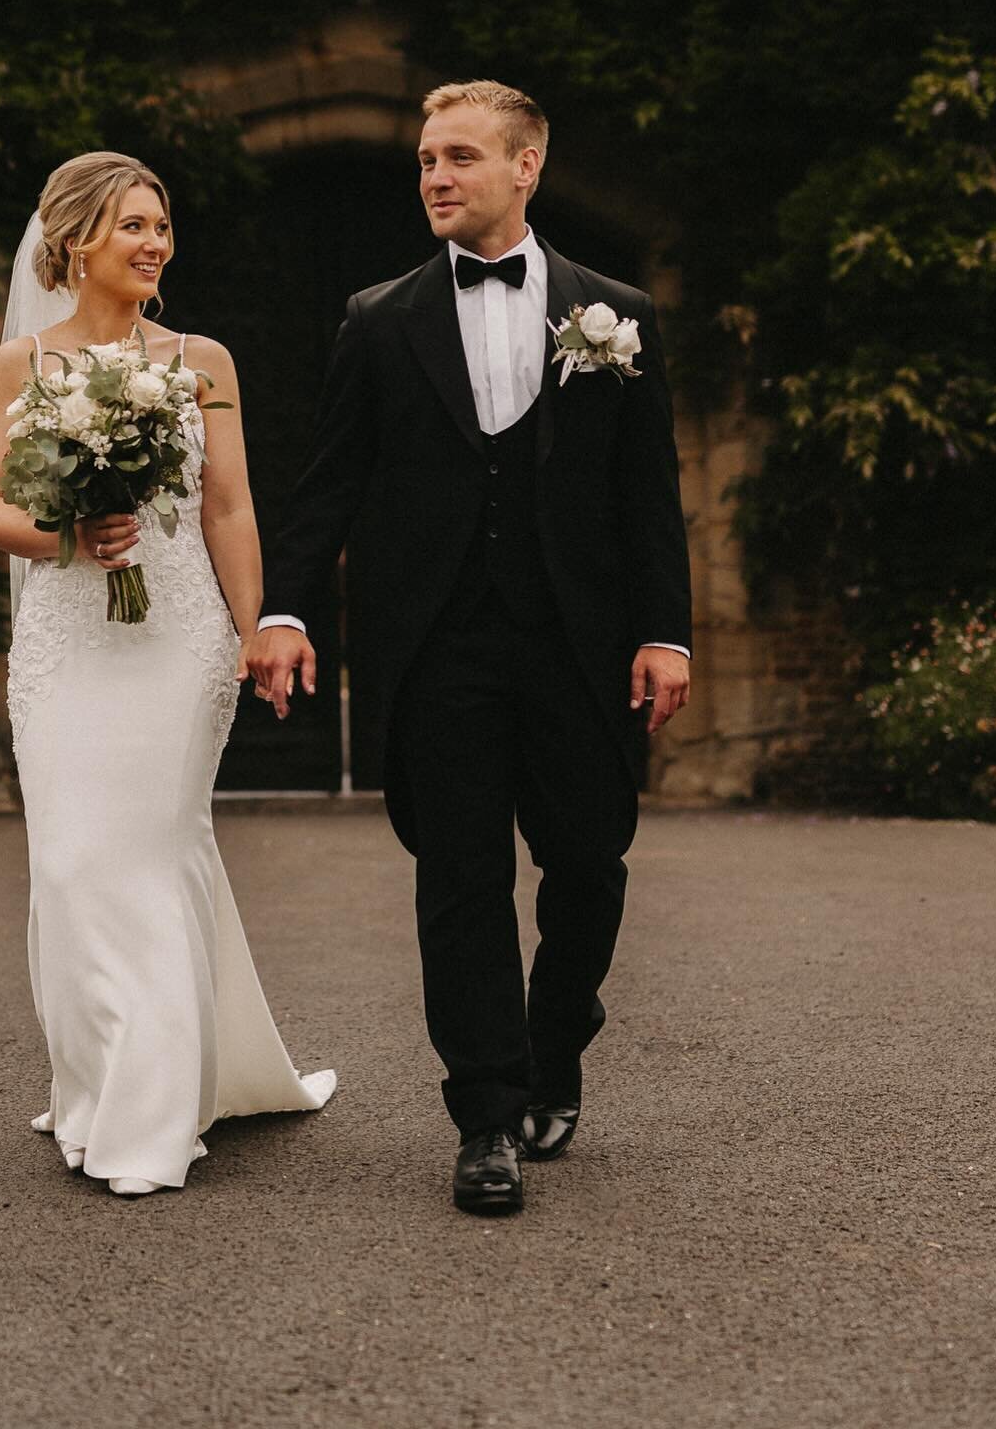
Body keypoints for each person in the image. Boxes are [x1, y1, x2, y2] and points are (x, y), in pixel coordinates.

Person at [248, 81, 691, 1216]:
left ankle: (558, 1037)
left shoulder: (615, 313)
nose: (434, 177)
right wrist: (286, 609)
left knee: (590, 862)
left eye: (458, 157)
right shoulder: (379, 319)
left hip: (578, 646)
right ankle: (486, 1116)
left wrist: (663, 630)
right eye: (425, 161)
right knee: (462, 881)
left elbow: (647, 497)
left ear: (526, 167)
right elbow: (329, 481)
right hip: (438, 646)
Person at [0, 151, 335, 1198]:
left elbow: (227, 506)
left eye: (162, 226)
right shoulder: (23, 366)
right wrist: (69, 535)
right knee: (73, 867)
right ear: (75, 239)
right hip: (66, 643)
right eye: (133, 225)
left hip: (178, 639)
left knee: (148, 852)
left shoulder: (201, 360)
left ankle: (150, 1115)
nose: (155, 243)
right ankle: (99, 1084)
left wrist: (257, 625)